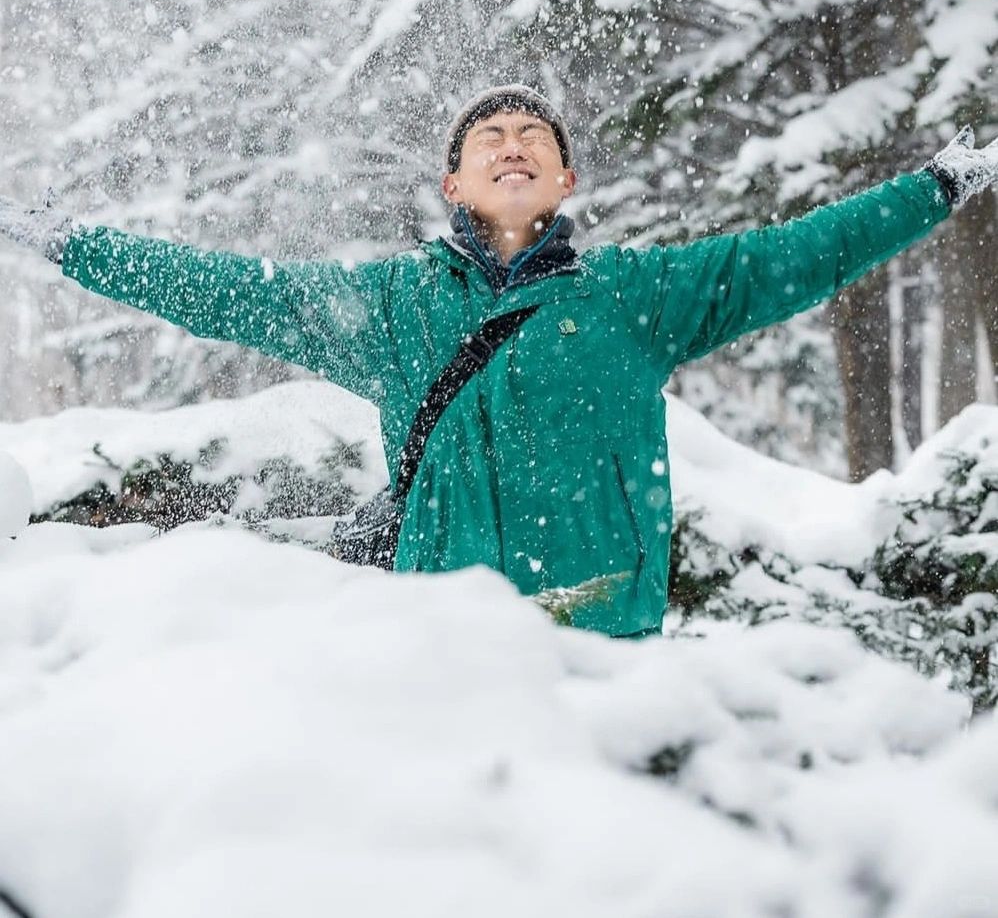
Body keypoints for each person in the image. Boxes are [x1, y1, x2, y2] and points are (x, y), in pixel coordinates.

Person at [1, 85, 996, 637]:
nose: (510, 143)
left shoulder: (636, 299)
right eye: (489, 136)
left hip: (609, 634)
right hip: (449, 645)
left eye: (532, 136)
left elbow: (790, 258)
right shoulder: (391, 309)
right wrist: (72, 244)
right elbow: (228, 292)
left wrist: (930, 192)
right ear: (452, 181)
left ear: (564, 178)